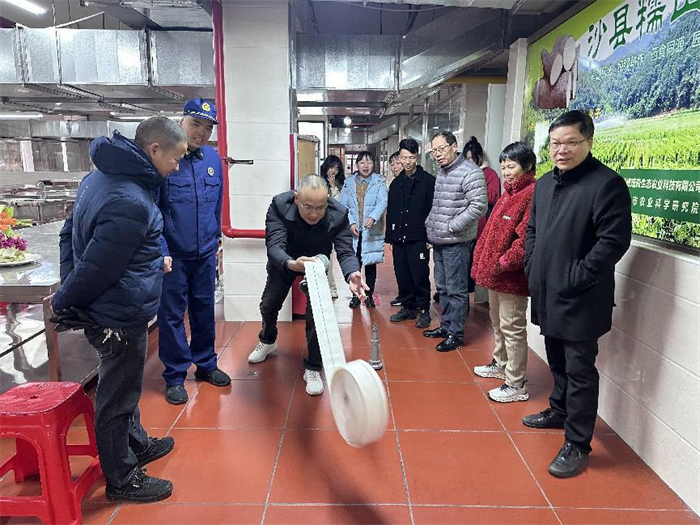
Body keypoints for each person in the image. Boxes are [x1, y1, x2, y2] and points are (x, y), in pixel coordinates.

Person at [51, 117, 188, 502]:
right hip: (119, 313)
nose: (177, 167)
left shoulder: (99, 178)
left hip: (113, 304)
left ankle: (137, 444)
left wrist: (70, 286)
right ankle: (122, 478)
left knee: (125, 385)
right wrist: (66, 300)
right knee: (117, 397)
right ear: (154, 150)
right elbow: (98, 268)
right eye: (175, 159)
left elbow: (69, 235)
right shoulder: (130, 200)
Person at [523, 110, 632, 478]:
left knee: (580, 369)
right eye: (555, 143)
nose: (561, 150)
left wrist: (576, 275)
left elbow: (613, 241)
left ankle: (578, 443)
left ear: (589, 141)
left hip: (582, 296)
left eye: (571, 142)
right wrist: (533, 265)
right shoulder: (544, 184)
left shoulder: (606, 184)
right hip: (547, 290)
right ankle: (559, 409)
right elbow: (533, 230)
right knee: (555, 357)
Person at [246, 175, 367, 395]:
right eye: (307, 207)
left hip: (317, 265)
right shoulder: (279, 206)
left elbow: (345, 251)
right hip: (286, 261)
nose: (313, 214)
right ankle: (268, 339)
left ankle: (313, 366)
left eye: (320, 208)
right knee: (269, 304)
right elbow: (274, 245)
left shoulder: (339, 213)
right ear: (296, 199)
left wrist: (352, 273)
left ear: (327, 201)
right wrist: (291, 264)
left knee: (316, 317)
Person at [156, 98, 231, 406]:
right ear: (181, 122)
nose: (201, 132)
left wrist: (216, 241)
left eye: (208, 127)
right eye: (195, 124)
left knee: (204, 310)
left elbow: (217, 204)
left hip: (205, 254)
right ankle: (175, 375)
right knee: (172, 315)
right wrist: (161, 250)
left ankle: (206, 364)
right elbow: (155, 210)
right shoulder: (165, 159)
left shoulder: (212, 158)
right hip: (173, 256)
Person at [471, 142, 536, 403]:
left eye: (512, 166)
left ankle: (516, 383)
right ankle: (500, 363)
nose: (506, 172)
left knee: (513, 327)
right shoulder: (509, 193)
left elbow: (525, 238)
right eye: (504, 166)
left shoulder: (531, 193)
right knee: (498, 322)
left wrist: (505, 262)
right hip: (496, 274)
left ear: (527, 166)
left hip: (511, 276)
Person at [423, 131, 486, 352]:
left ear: (454, 146)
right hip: (440, 239)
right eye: (434, 151)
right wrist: (431, 226)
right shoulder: (443, 172)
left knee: (456, 290)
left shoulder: (471, 172)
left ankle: (456, 334)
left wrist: (452, 226)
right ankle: (446, 326)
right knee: (442, 287)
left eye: (441, 149)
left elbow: (478, 206)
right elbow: (438, 206)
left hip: (457, 241)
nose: (438, 154)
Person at [386, 139, 435, 329]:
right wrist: (390, 238)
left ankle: (424, 309)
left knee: (420, 274)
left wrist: (429, 237)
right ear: (399, 157)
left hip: (418, 237)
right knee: (402, 273)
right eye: (404, 158)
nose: (407, 162)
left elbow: (432, 211)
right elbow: (392, 211)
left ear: (417, 157)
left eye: (411, 158)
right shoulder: (396, 183)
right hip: (399, 237)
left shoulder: (428, 181)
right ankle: (407, 307)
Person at [340, 151, 388, 309]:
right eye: (362, 162)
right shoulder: (349, 182)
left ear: (373, 164)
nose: (366, 166)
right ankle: (356, 296)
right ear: (357, 165)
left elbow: (382, 201)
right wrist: (351, 222)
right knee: (354, 264)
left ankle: (369, 296)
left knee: (370, 264)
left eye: (369, 162)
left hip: (371, 230)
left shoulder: (379, 181)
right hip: (354, 231)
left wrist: (373, 217)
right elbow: (343, 205)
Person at [463, 136, 501, 302]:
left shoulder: (489, 174)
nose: (470, 162)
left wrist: (474, 192)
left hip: (480, 227)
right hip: (464, 226)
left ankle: (473, 294)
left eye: (473, 158)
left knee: (475, 264)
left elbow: (492, 197)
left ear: (479, 157)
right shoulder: (463, 173)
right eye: (467, 159)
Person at [320, 155, 345, 299]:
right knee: (324, 257)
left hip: (335, 227)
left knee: (332, 258)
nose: (333, 171)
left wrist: (334, 186)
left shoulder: (341, 185)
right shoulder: (319, 182)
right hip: (320, 225)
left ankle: (332, 288)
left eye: (336, 168)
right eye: (331, 167)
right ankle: (327, 288)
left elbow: (338, 205)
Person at [387, 151, 405, 307]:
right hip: (397, 233)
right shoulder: (393, 184)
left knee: (413, 269)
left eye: (397, 163)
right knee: (399, 267)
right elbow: (391, 212)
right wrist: (390, 237)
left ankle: (417, 301)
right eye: (392, 164)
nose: (394, 167)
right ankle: (403, 294)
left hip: (413, 234)